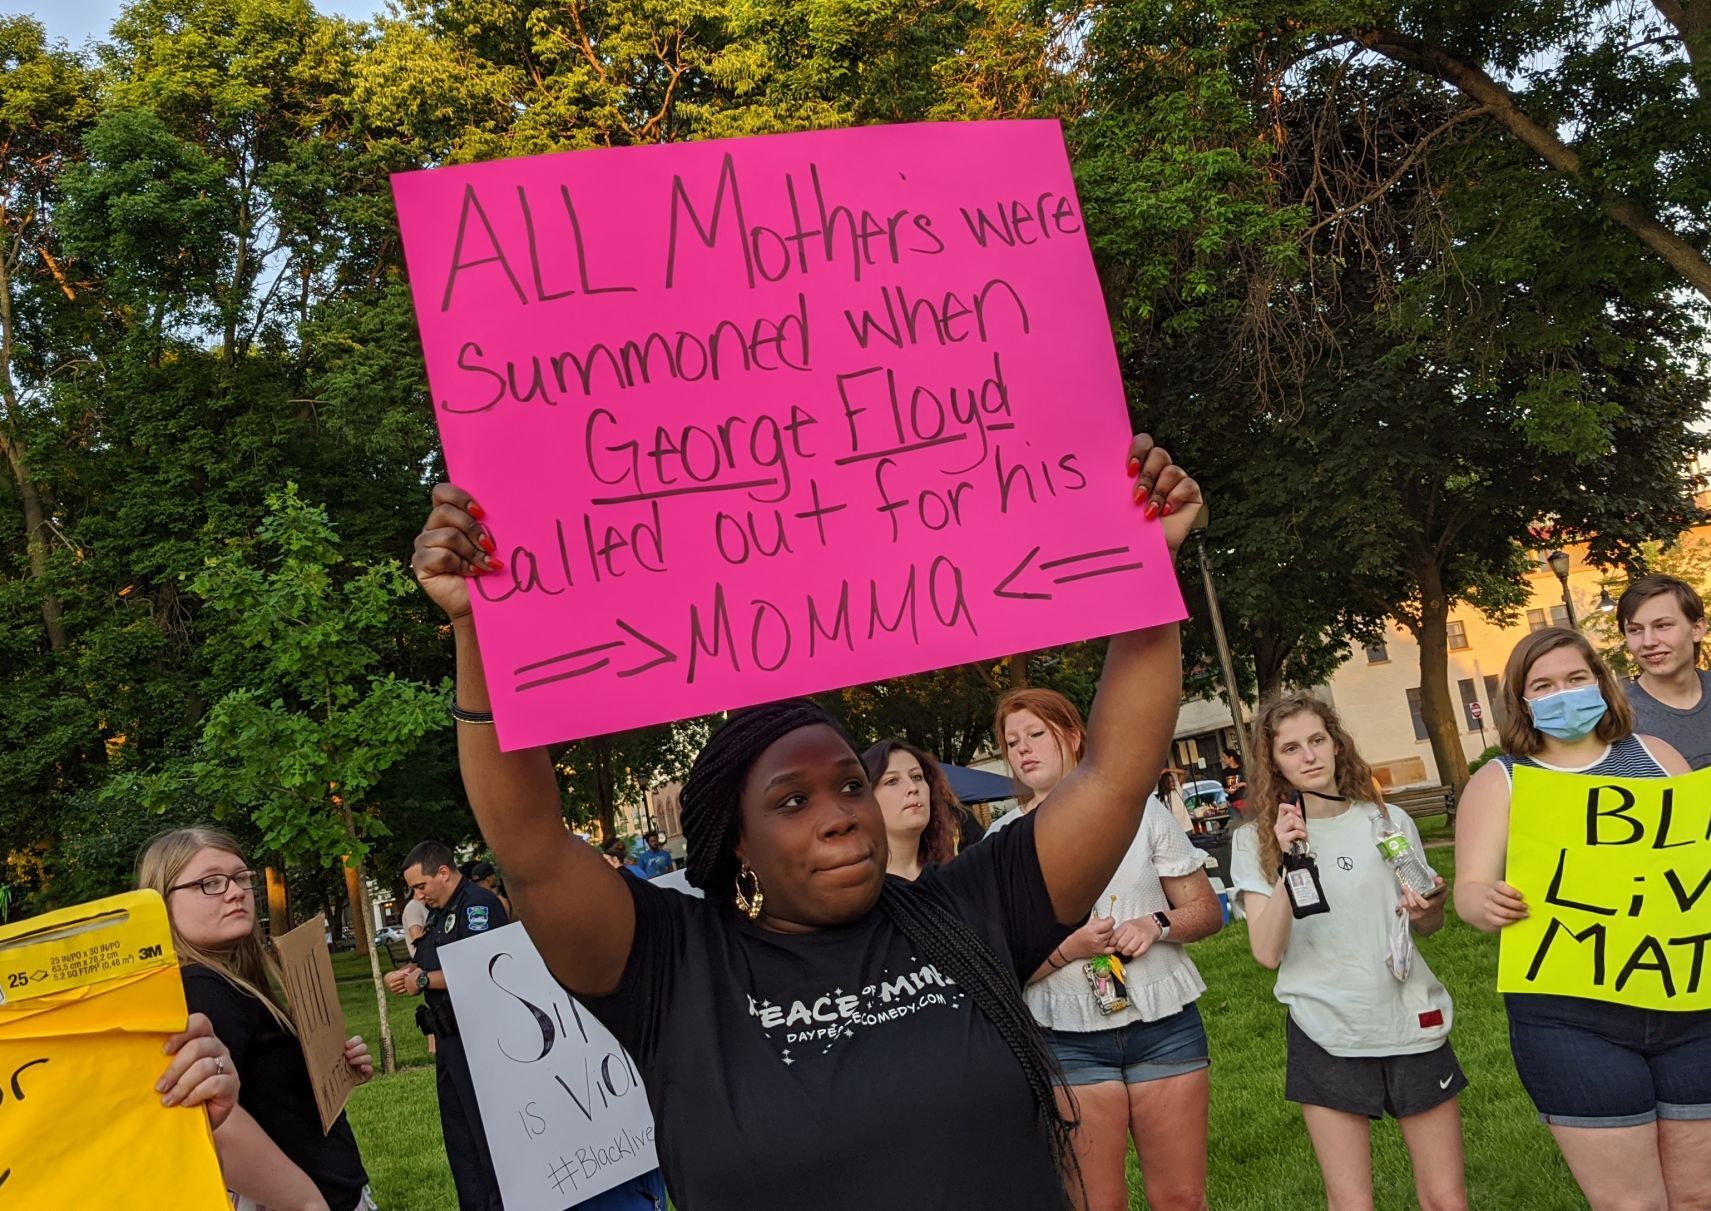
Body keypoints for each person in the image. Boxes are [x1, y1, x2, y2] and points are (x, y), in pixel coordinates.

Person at [407, 434, 1200, 1208]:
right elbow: (532, 844)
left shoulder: (971, 909)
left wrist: (1149, 567)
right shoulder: (670, 966)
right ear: (736, 839)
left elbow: (1114, 771)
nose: (839, 817)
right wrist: (482, 629)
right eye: (792, 800)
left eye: (850, 786)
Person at [1455, 627, 1706, 1210]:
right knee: (1631, 1205)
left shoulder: (1658, 757)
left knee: (1699, 1196)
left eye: (1575, 678)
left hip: (1689, 1008)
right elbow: (1469, 888)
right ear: (1520, 702)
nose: (1563, 694)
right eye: (1542, 686)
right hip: (1572, 1019)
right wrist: (1485, 902)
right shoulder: (1502, 782)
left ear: (1602, 682)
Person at [1230, 694, 1466, 1211]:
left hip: (1410, 1020)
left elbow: (1428, 924)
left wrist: (1430, 908)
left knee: (1446, 1199)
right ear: (1274, 762)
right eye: (1291, 748)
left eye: (1317, 740)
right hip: (1327, 1026)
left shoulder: (1389, 821)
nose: (1309, 756)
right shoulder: (1255, 842)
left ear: (1337, 744)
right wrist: (1291, 863)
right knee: (1351, 1203)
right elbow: (1266, 952)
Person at [995, 687, 1223, 1211]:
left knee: (1183, 1199)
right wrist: (1066, 948)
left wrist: (1158, 923)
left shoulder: (1139, 814)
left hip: (1163, 1026)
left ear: (1073, 737)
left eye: (1036, 734)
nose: (1023, 749)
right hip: (1065, 1037)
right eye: (1012, 742)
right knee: (1098, 1205)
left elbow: (1207, 912)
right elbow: (998, 961)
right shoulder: (1003, 841)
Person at [138, 827, 376, 1211]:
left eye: (240, 878)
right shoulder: (201, 989)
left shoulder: (231, 982)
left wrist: (334, 1070)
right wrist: (306, 1202)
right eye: (209, 883)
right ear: (161, 903)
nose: (235, 892)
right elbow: (209, 1120)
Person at [383, 841, 509, 1211]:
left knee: (486, 1139)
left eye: (421, 886)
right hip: (450, 1038)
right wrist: (409, 971)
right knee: (461, 1137)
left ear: (443, 872)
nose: (417, 896)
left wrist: (422, 981)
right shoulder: (440, 914)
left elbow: (484, 966)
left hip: (481, 1039)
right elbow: (427, 958)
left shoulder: (477, 906)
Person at [1619, 574, 1711, 770]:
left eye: (1662, 626)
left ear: (1697, 628)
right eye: (1635, 630)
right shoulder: (1620, 719)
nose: (1648, 641)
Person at [861, 738, 959, 879]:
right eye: (892, 781)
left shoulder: (953, 877)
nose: (913, 788)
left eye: (917, 777)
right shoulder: (858, 890)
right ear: (868, 797)